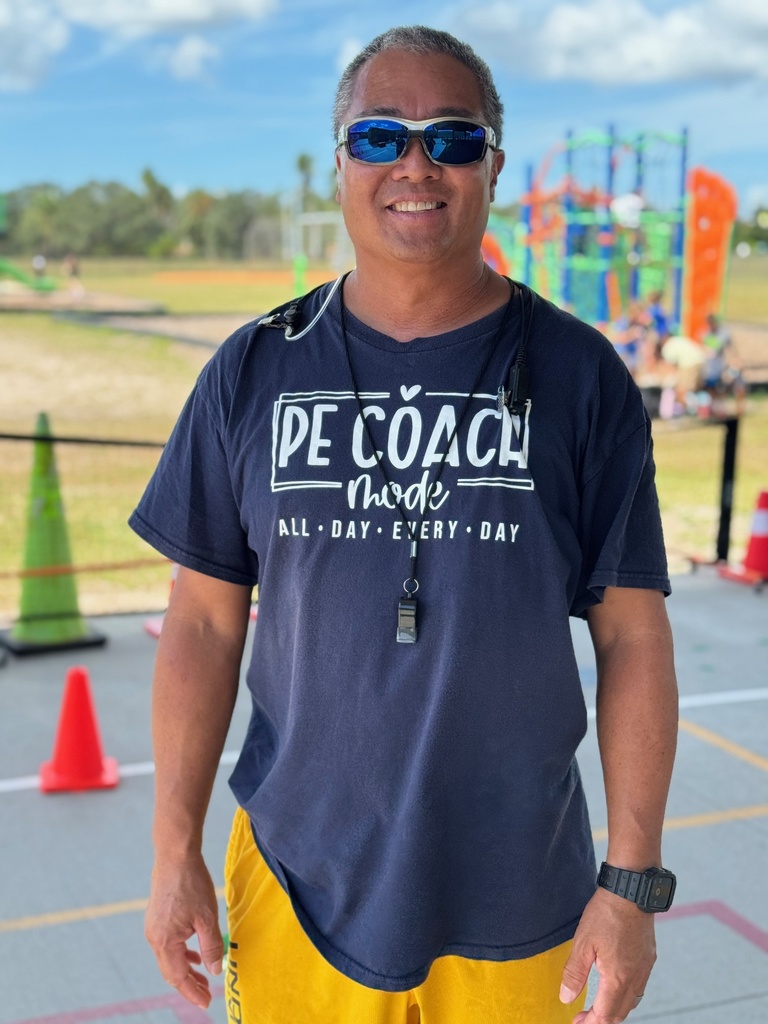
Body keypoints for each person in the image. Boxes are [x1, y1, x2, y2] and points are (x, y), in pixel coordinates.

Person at [130, 25, 678, 1024]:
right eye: (381, 137)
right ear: (341, 166)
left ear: (493, 168)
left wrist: (632, 882)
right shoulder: (253, 369)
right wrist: (174, 851)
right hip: (300, 879)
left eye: (453, 138)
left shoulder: (579, 375)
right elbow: (205, 624)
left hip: (526, 892)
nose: (417, 164)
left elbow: (633, 632)